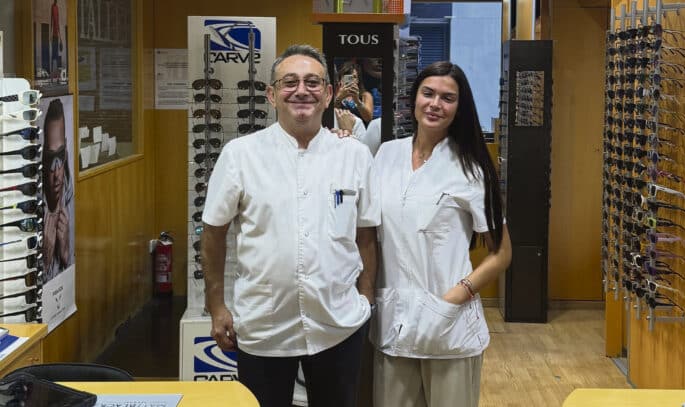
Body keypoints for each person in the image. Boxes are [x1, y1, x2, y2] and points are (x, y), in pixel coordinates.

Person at [201, 44, 380, 407]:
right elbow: (214, 233)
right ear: (272, 94)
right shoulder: (241, 155)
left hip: (338, 324)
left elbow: (365, 235)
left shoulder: (355, 155)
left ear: (329, 94)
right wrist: (217, 306)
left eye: (313, 82)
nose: (302, 90)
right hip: (263, 326)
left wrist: (366, 300)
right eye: (290, 82)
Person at [370, 61, 512, 407]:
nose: (435, 104)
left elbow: (501, 253)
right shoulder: (386, 154)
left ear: (459, 108)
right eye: (428, 93)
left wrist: (453, 298)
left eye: (448, 98)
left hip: (449, 325)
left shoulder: (471, 167)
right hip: (393, 321)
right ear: (414, 99)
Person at [42, 98, 74, 282]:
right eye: (50, 158)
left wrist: (65, 254)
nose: (56, 172)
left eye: (60, 156)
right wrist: (45, 262)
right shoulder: (35, 207)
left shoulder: (70, 199)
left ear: (66, 154)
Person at [50, 0, 62, 79]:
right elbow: (53, 20)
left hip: (56, 35)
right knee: (54, 56)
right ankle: (54, 72)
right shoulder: (54, 7)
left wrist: (60, 38)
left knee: (55, 55)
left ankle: (55, 73)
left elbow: (56, 21)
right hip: (55, 35)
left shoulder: (55, 8)